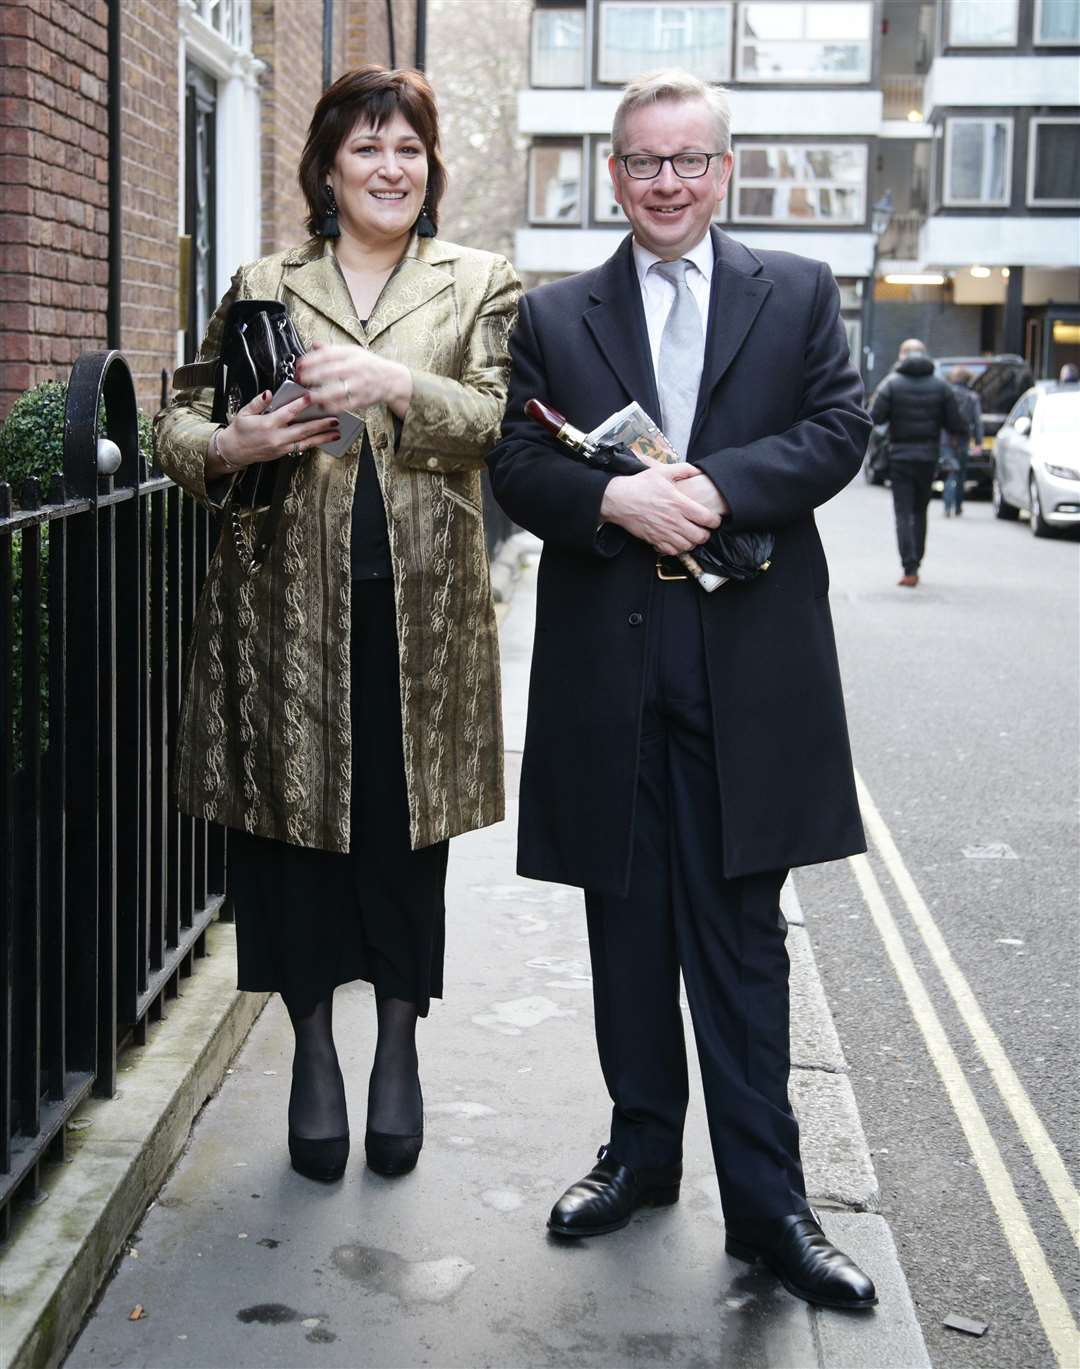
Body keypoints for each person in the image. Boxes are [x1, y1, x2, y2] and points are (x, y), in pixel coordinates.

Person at [488, 70, 876, 1310]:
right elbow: (512, 460)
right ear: (614, 173)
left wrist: (712, 484)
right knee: (627, 931)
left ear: (724, 169)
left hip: (749, 676)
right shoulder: (556, 313)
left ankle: (772, 1210)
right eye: (644, 162)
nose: (666, 181)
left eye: (688, 161)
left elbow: (839, 429)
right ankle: (640, 1154)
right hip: (614, 670)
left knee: (743, 945)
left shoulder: (799, 292)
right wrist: (611, 496)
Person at [156, 66, 519, 1184]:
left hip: (425, 624)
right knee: (291, 841)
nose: (389, 168)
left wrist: (394, 382)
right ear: (325, 166)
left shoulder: (481, 283)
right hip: (282, 619)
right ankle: (313, 1048)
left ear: (431, 168)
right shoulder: (265, 279)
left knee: (404, 842)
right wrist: (228, 447)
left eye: (408, 150)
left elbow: (499, 427)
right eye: (366, 149)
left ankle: (398, 1050)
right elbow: (183, 413)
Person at [870, 340, 965, 584]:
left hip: (899, 456)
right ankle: (917, 562)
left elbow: (873, 417)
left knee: (902, 512)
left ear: (901, 358)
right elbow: (956, 423)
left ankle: (908, 567)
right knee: (920, 510)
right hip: (928, 457)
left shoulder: (891, 384)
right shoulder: (941, 386)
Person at [940, 365, 983, 517]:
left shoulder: (946, 394)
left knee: (950, 471)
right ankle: (958, 506)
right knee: (961, 474)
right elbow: (977, 421)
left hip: (946, 439)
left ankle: (947, 506)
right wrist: (978, 442)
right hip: (963, 439)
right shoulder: (972, 397)